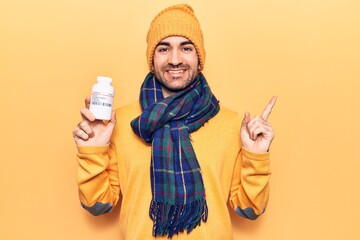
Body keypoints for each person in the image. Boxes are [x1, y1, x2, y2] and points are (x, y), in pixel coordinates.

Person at [72, 4, 277, 240]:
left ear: (199, 58)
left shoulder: (232, 124)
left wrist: (256, 157)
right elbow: (98, 205)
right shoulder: (117, 122)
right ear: (152, 59)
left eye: (186, 48)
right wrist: (92, 151)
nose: (175, 59)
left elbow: (250, 210)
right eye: (164, 49)